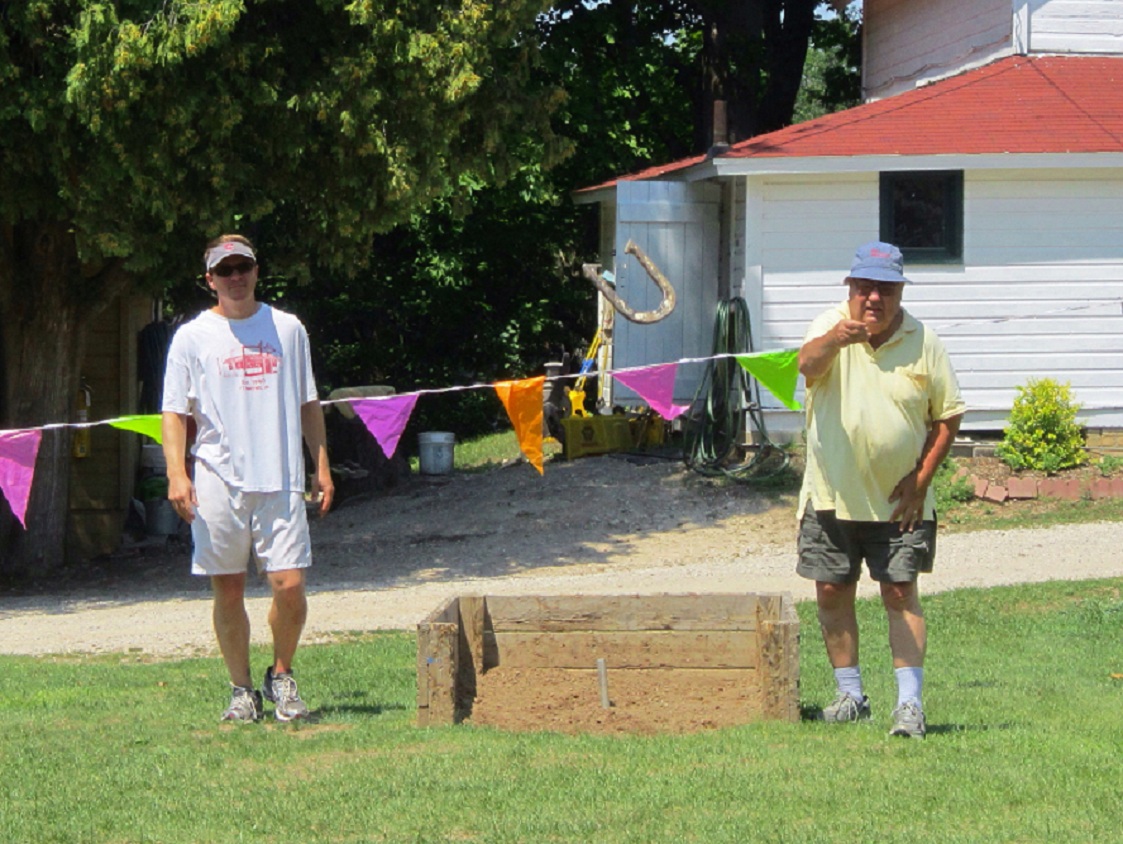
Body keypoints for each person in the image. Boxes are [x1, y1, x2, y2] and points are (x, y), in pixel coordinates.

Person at [796, 241, 965, 739]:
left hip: (900, 503)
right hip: (830, 492)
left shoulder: (924, 340)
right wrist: (835, 340)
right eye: (865, 287)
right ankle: (851, 696)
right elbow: (807, 366)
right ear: (850, 288)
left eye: (885, 289)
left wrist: (920, 482)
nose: (874, 298)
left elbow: (948, 417)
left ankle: (909, 706)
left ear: (900, 293)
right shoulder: (828, 326)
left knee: (899, 592)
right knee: (831, 590)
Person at [162, 234, 334, 723]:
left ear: (257, 271)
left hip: (280, 477)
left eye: (243, 267)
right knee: (229, 588)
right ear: (210, 280)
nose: (235, 277)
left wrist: (321, 465)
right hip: (217, 478)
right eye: (225, 270)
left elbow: (308, 402)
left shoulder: (288, 329)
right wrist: (177, 474)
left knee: (289, 584)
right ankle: (241, 690)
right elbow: (173, 412)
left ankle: (281, 675)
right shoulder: (192, 337)